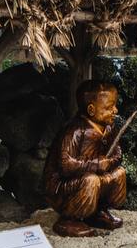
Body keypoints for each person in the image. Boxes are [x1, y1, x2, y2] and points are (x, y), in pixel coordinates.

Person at [43, 81, 127, 237]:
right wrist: (96, 164)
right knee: (91, 180)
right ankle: (69, 219)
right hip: (63, 188)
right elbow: (66, 164)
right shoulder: (75, 131)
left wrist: (109, 163)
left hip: (94, 177)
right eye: (109, 107)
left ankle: (98, 212)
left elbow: (118, 154)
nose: (115, 110)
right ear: (91, 110)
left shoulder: (109, 128)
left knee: (119, 173)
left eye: (114, 106)